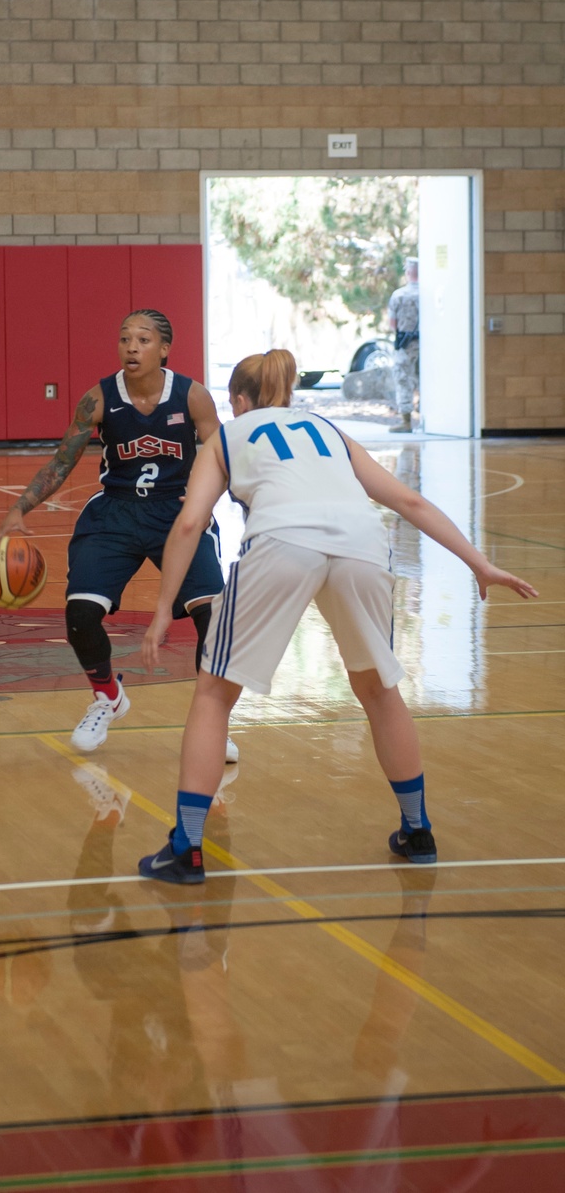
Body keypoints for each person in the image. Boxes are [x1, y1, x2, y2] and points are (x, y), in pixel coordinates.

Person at [138, 348, 538, 886]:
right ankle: (418, 832)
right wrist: (478, 563)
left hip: (282, 540)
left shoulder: (225, 438)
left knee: (214, 693)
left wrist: (163, 607)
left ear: (237, 400)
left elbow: (190, 526)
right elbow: (410, 503)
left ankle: (186, 847)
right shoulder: (327, 430)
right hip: (362, 542)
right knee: (379, 690)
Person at [0, 309, 239, 762]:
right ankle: (108, 697)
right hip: (115, 514)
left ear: (164, 349)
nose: (131, 347)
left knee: (213, 618)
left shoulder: (192, 396)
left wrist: (217, 502)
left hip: (176, 514)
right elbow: (62, 460)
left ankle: (213, 724)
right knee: (80, 616)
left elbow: (222, 455)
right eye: (124, 338)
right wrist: (18, 508)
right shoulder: (98, 399)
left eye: (143, 340)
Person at [388, 257, 419, 433]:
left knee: (402, 379)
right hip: (428, 346)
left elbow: (393, 324)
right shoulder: (427, 293)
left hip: (406, 345)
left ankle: (406, 421)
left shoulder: (399, 295)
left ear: (408, 273)